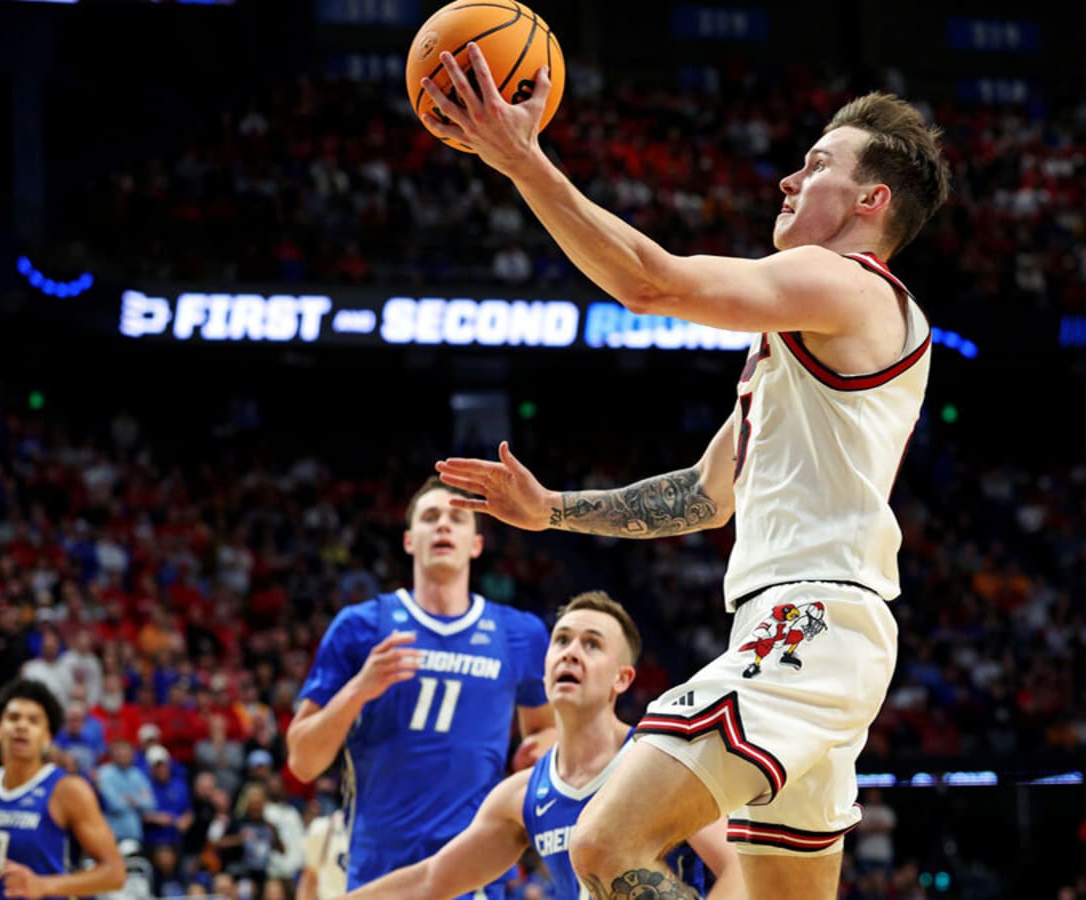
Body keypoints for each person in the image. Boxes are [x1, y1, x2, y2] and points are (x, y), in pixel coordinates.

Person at [426, 50, 949, 900]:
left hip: (807, 625)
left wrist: (522, 159)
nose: (787, 179)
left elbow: (648, 281)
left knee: (603, 847)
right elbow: (706, 496)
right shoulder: (803, 334)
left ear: (871, 201)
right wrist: (552, 509)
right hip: (815, 632)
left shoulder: (847, 282)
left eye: (816, 164)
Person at [341, 591, 742, 900]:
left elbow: (739, 872)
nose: (571, 652)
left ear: (621, 679)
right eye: (562, 641)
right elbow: (431, 880)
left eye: (592, 644)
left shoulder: (660, 762)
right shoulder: (521, 796)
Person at [287, 477, 555, 897]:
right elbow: (303, 760)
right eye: (431, 517)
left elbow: (546, 731)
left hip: (476, 874)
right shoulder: (361, 627)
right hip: (379, 873)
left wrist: (541, 749)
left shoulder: (520, 633)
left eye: (457, 518)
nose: (443, 526)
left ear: (476, 544)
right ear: (410, 541)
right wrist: (359, 688)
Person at [0, 678, 126, 900]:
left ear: (47, 738)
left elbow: (114, 873)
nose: (21, 726)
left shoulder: (67, 790)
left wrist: (44, 886)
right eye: (13, 717)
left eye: (34, 721)